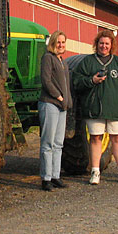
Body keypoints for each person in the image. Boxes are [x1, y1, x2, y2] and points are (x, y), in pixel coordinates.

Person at [73, 30, 118, 185]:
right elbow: (76, 81)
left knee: (117, 138)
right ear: (97, 44)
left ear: (111, 45)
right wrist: (92, 80)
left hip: (115, 108)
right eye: (101, 43)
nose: (104, 46)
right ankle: (95, 171)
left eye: (107, 44)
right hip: (94, 108)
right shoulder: (88, 62)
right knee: (95, 138)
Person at [39, 31, 73, 191]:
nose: (61, 45)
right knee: (48, 143)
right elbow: (46, 80)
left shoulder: (63, 62)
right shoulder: (48, 58)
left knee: (59, 143)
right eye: (58, 42)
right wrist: (59, 97)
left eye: (63, 42)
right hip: (51, 104)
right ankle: (45, 178)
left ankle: (55, 176)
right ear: (52, 43)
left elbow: (66, 84)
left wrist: (67, 101)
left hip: (62, 107)